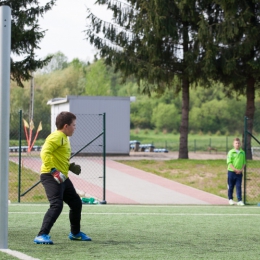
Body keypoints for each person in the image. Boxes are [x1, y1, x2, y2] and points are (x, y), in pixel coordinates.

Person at [34, 111, 92, 244]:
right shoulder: (57, 136)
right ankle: (41, 235)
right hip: (50, 176)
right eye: (74, 125)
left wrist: (68, 166)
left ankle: (75, 233)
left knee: (76, 203)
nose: (75, 128)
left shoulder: (63, 137)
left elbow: (57, 156)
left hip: (62, 177)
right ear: (66, 126)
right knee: (56, 205)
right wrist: (53, 170)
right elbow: (44, 152)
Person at [227, 137, 246, 206]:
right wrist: (235, 169)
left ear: (240, 144)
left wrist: (241, 170)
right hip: (231, 172)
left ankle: (239, 200)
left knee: (238, 186)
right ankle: (230, 199)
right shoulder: (231, 152)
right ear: (233, 144)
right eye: (236, 143)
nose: (237, 144)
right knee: (231, 186)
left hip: (239, 173)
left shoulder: (242, 152)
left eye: (238, 143)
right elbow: (229, 162)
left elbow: (244, 163)